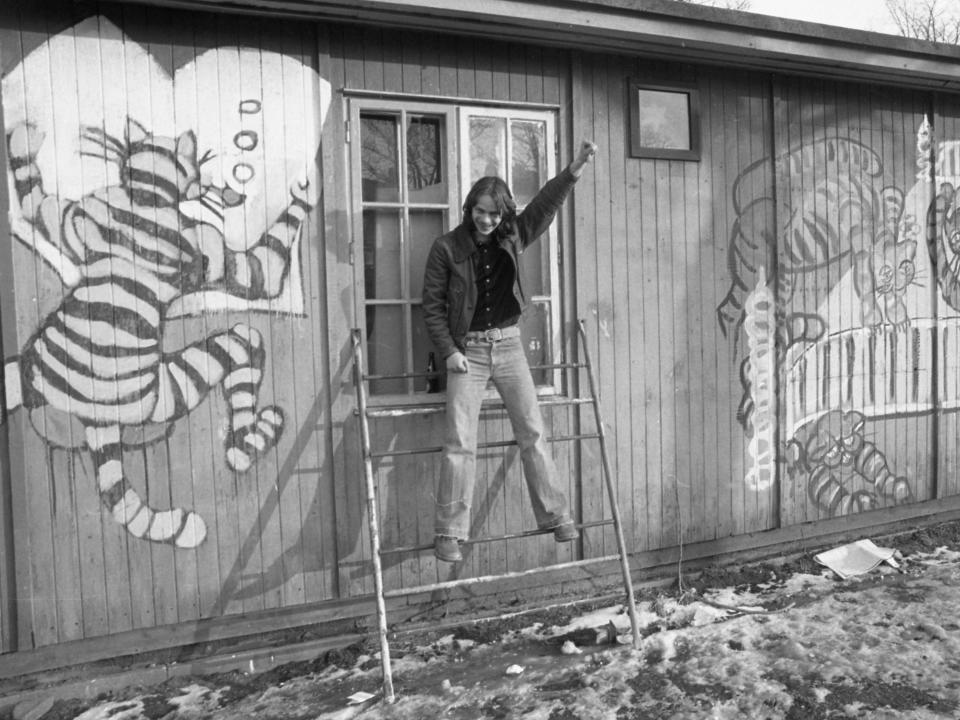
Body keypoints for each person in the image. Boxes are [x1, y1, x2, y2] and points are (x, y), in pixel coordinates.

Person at [421, 140, 598, 562]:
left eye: (494, 213)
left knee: (532, 432)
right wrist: (449, 351)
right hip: (468, 353)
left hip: (509, 346)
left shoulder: (513, 235)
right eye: (479, 211)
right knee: (459, 441)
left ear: (504, 214)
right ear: (469, 209)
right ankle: (449, 532)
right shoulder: (446, 248)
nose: (486, 219)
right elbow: (431, 306)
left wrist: (572, 171)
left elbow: (543, 205)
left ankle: (556, 516)